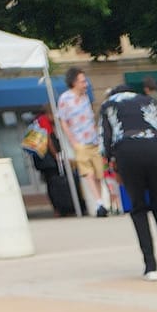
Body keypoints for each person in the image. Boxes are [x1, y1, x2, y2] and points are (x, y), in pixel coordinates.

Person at [99, 83, 157, 281]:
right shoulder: (148, 101)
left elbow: (104, 140)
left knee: (138, 209)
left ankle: (150, 266)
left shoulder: (108, 105)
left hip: (127, 153)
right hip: (155, 150)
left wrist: (112, 167)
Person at [55, 68, 108, 216]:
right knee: (87, 172)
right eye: (82, 81)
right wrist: (72, 141)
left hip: (93, 139)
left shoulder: (85, 97)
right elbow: (63, 121)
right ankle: (99, 202)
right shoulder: (65, 99)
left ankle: (101, 202)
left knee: (99, 173)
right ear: (74, 82)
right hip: (80, 141)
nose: (85, 84)